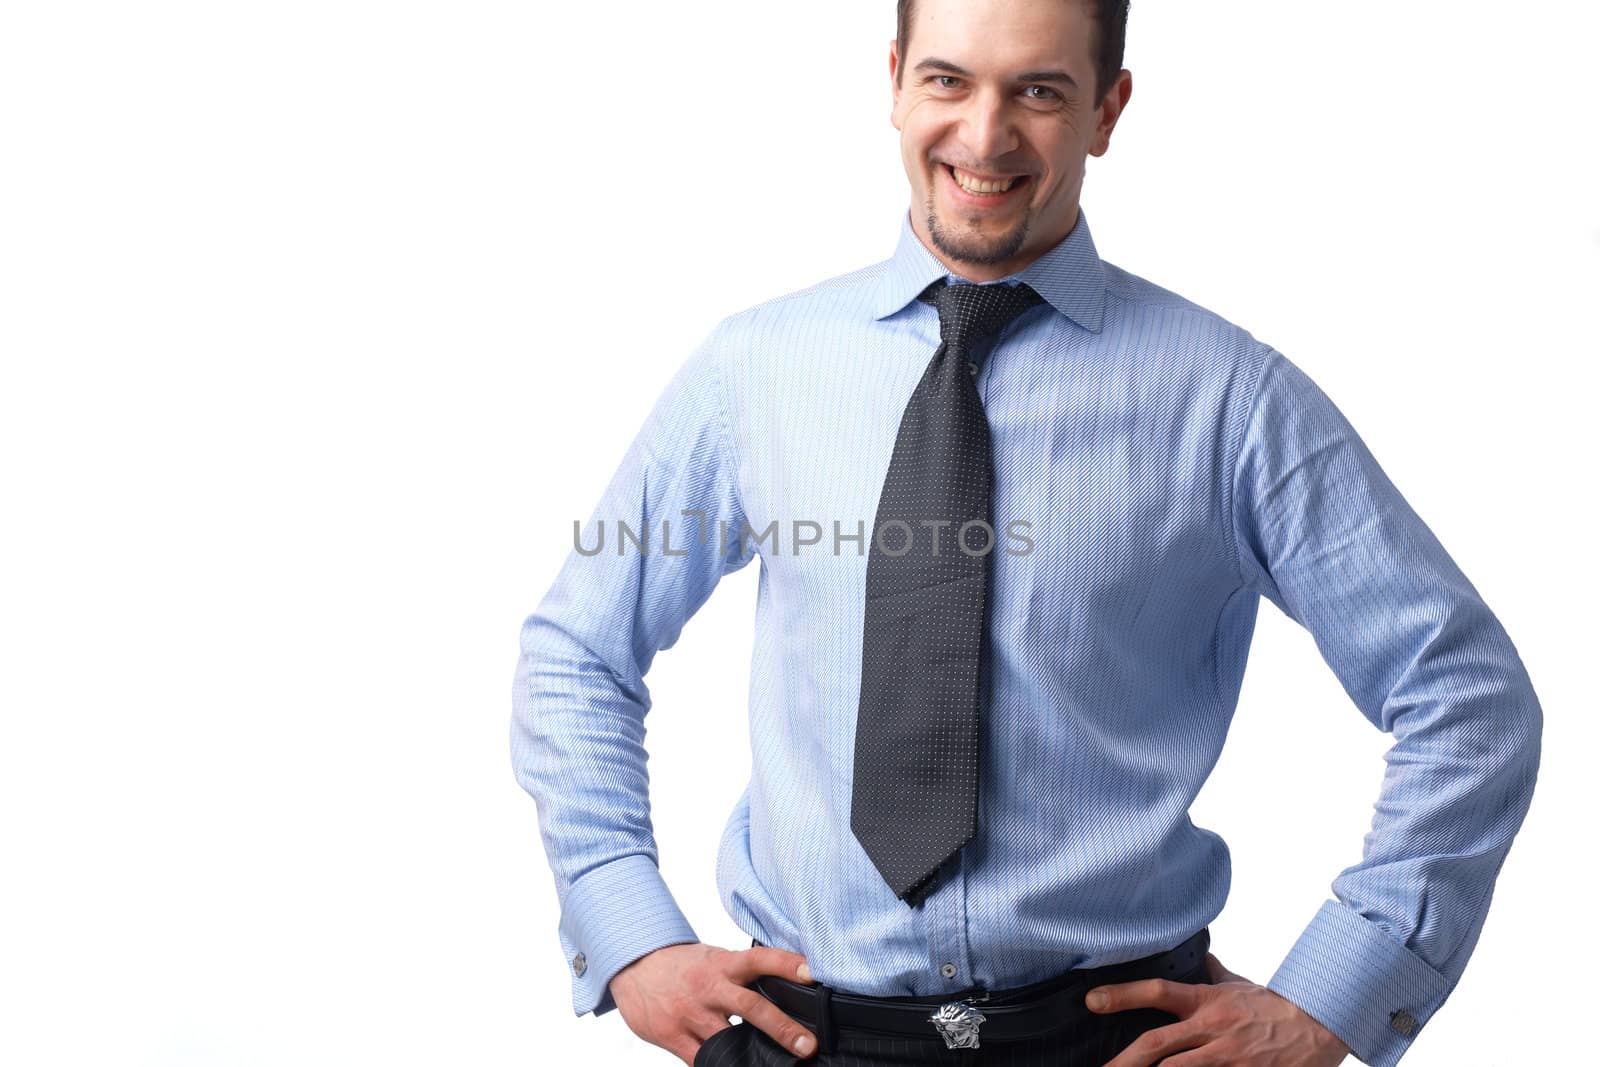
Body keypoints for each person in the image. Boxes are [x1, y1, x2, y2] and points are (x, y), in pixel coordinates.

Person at [510, 1, 1542, 1064]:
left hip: (1119, 1042)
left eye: (1038, 91)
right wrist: (628, 931)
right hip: (806, 1034)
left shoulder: (1231, 400)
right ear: (897, 82)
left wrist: (1339, 990)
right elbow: (575, 648)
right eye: (948, 82)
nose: (985, 135)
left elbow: (1467, 696)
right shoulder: (751, 373)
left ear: (1107, 109)